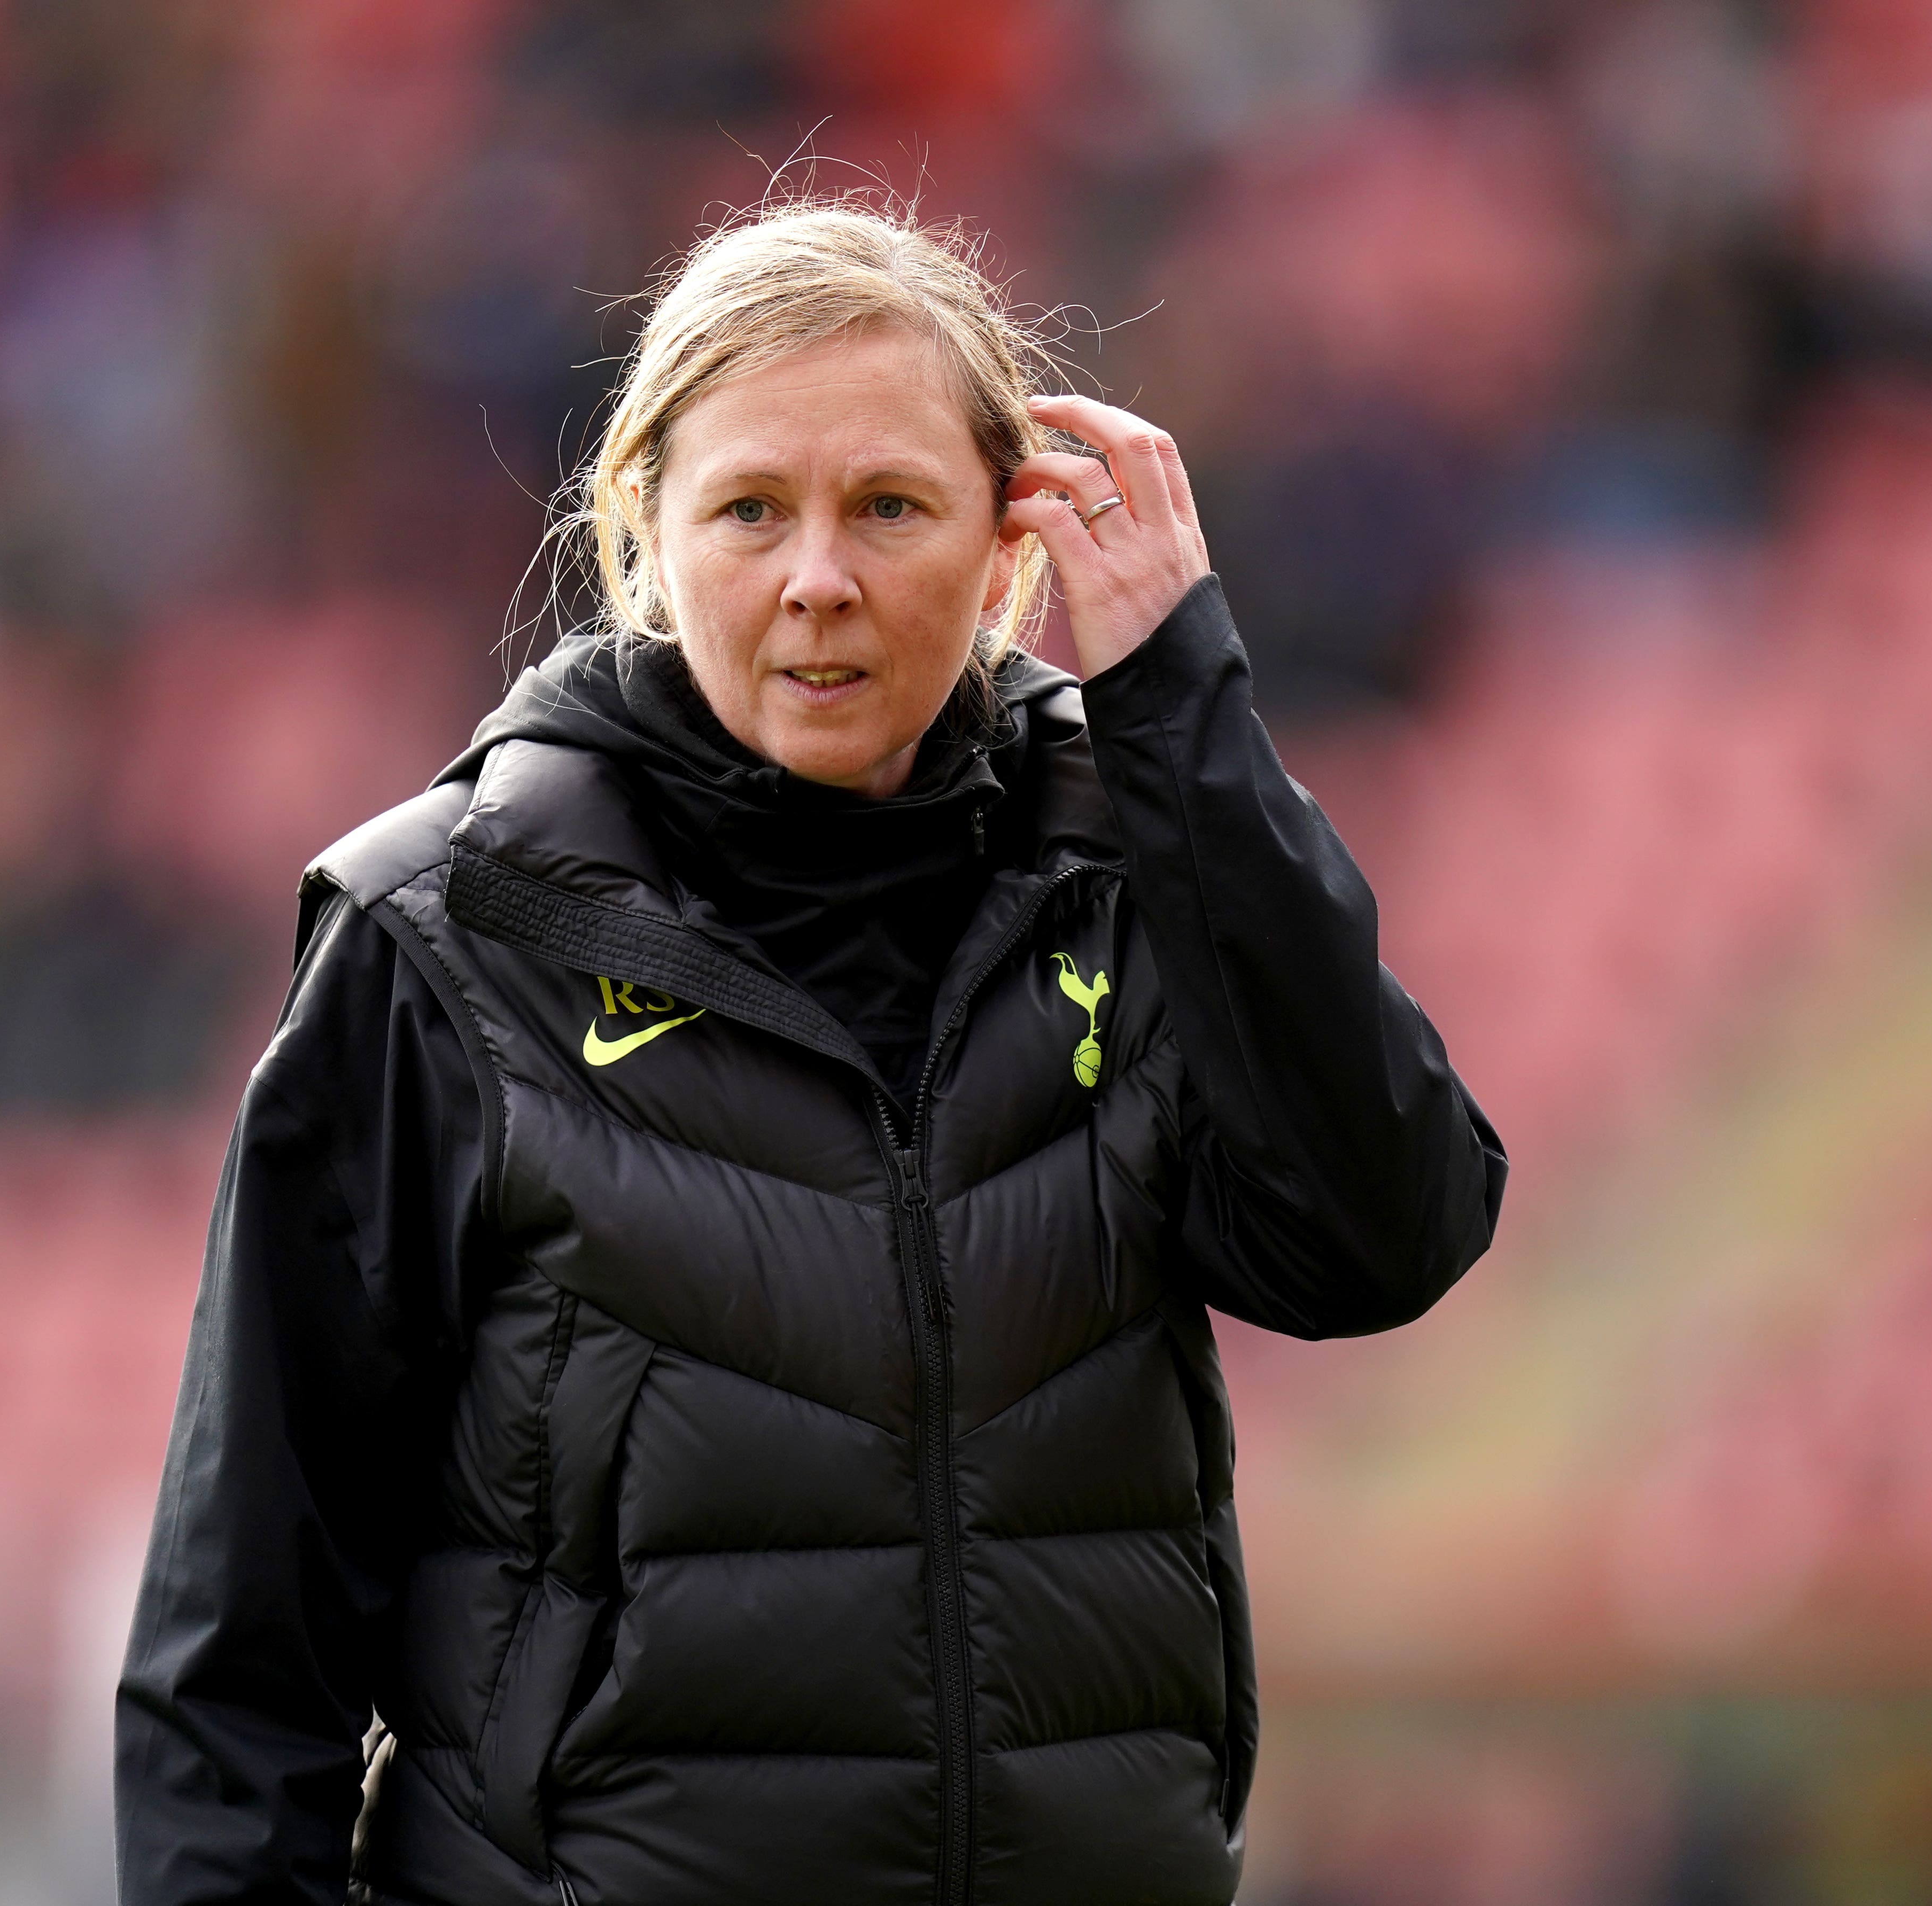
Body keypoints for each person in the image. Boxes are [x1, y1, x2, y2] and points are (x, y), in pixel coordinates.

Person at [116, 200, 1507, 1906]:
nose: (820, 578)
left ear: (1011, 553)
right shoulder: (442, 941)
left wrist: (1184, 722)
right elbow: (243, 1641)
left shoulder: (1141, 887)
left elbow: (1384, 1238)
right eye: (753, 509)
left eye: (891, 508)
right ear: (645, 528)